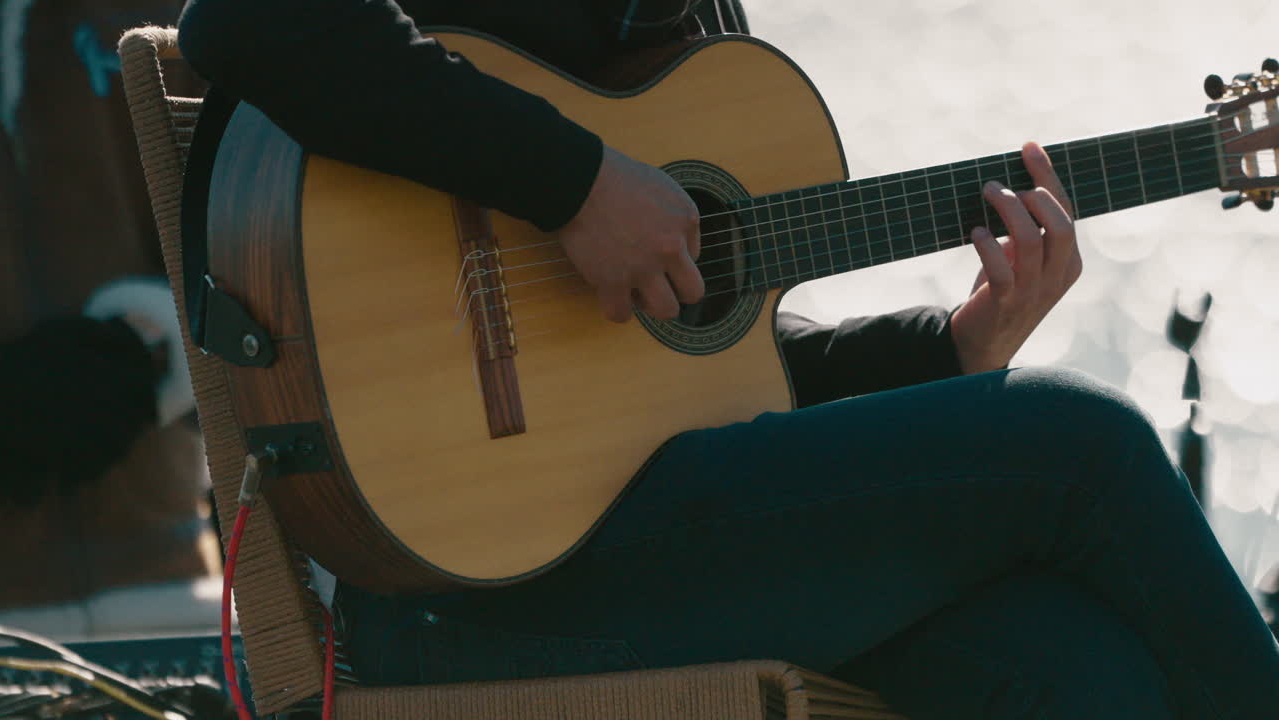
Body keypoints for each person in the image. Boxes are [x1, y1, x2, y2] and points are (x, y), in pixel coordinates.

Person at [174, 1, 1279, 718]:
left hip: (644, 530)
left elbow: (702, 359)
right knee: (1079, 443)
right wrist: (570, 184)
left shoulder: (684, 22)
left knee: (1080, 670)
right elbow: (250, 20)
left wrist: (956, 346)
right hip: (453, 587)